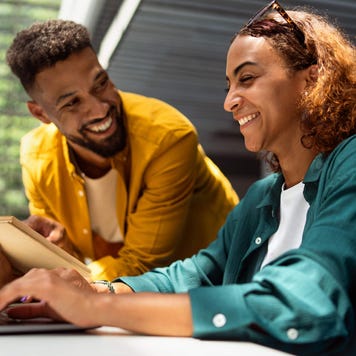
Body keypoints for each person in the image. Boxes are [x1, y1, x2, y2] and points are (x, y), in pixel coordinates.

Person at [1, 2, 355, 354]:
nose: (229, 101)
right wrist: (97, 291)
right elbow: (195, 273)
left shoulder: (349, 165)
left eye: (246, 79)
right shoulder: (262, 198)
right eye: (229, 85)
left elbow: (304, 301)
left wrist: (97, 307)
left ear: (312, 78)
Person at [4, 19, 238, 281]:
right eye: (72, 103)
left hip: (223, 278)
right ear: (40, 113)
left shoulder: (168, 138)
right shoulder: (36, 156)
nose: (100, 109)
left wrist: (58, 280)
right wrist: (40, 248)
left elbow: (141, 263)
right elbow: (65, 261)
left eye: (101, 83)